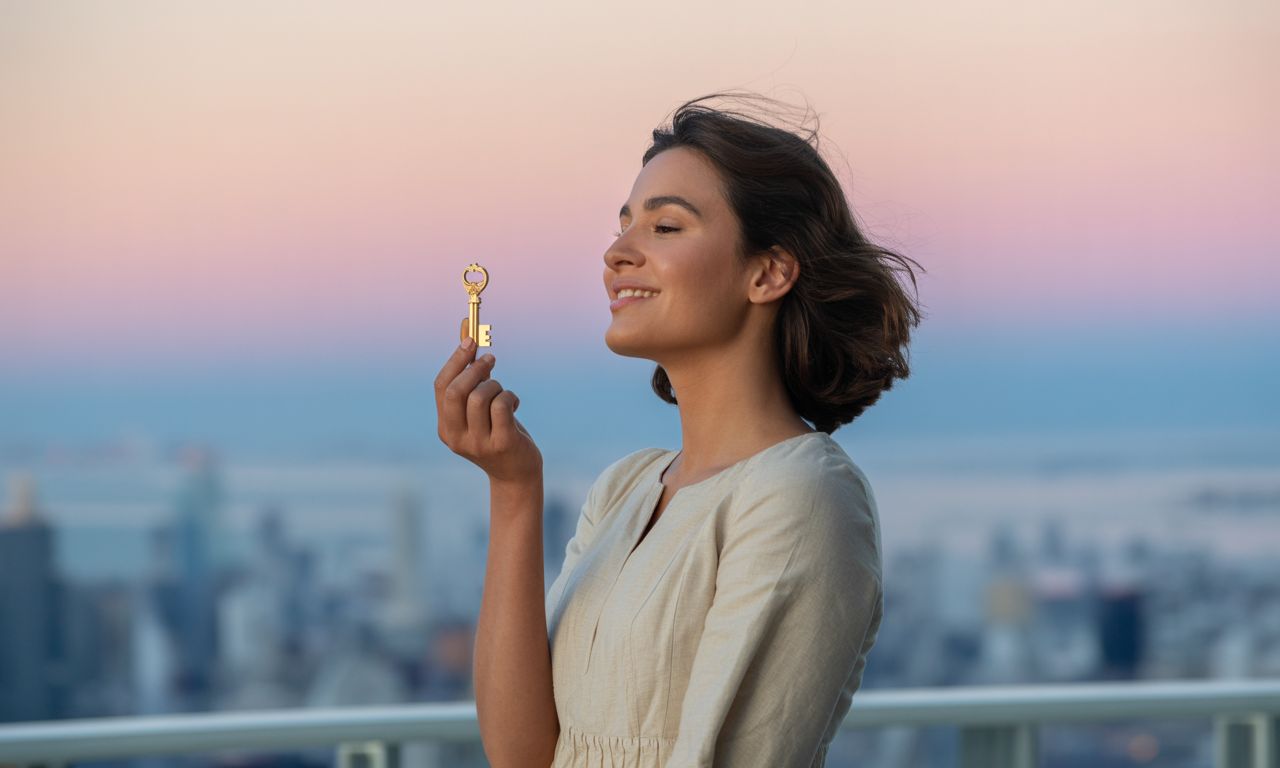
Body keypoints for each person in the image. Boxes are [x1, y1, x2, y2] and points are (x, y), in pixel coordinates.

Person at [435, 90, 925, 768]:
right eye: (623, 224)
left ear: (768, 271)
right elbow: (523, 756)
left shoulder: (799, 492)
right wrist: (515, 491)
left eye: (665, 227)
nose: (617, 253)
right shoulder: (626, 488)